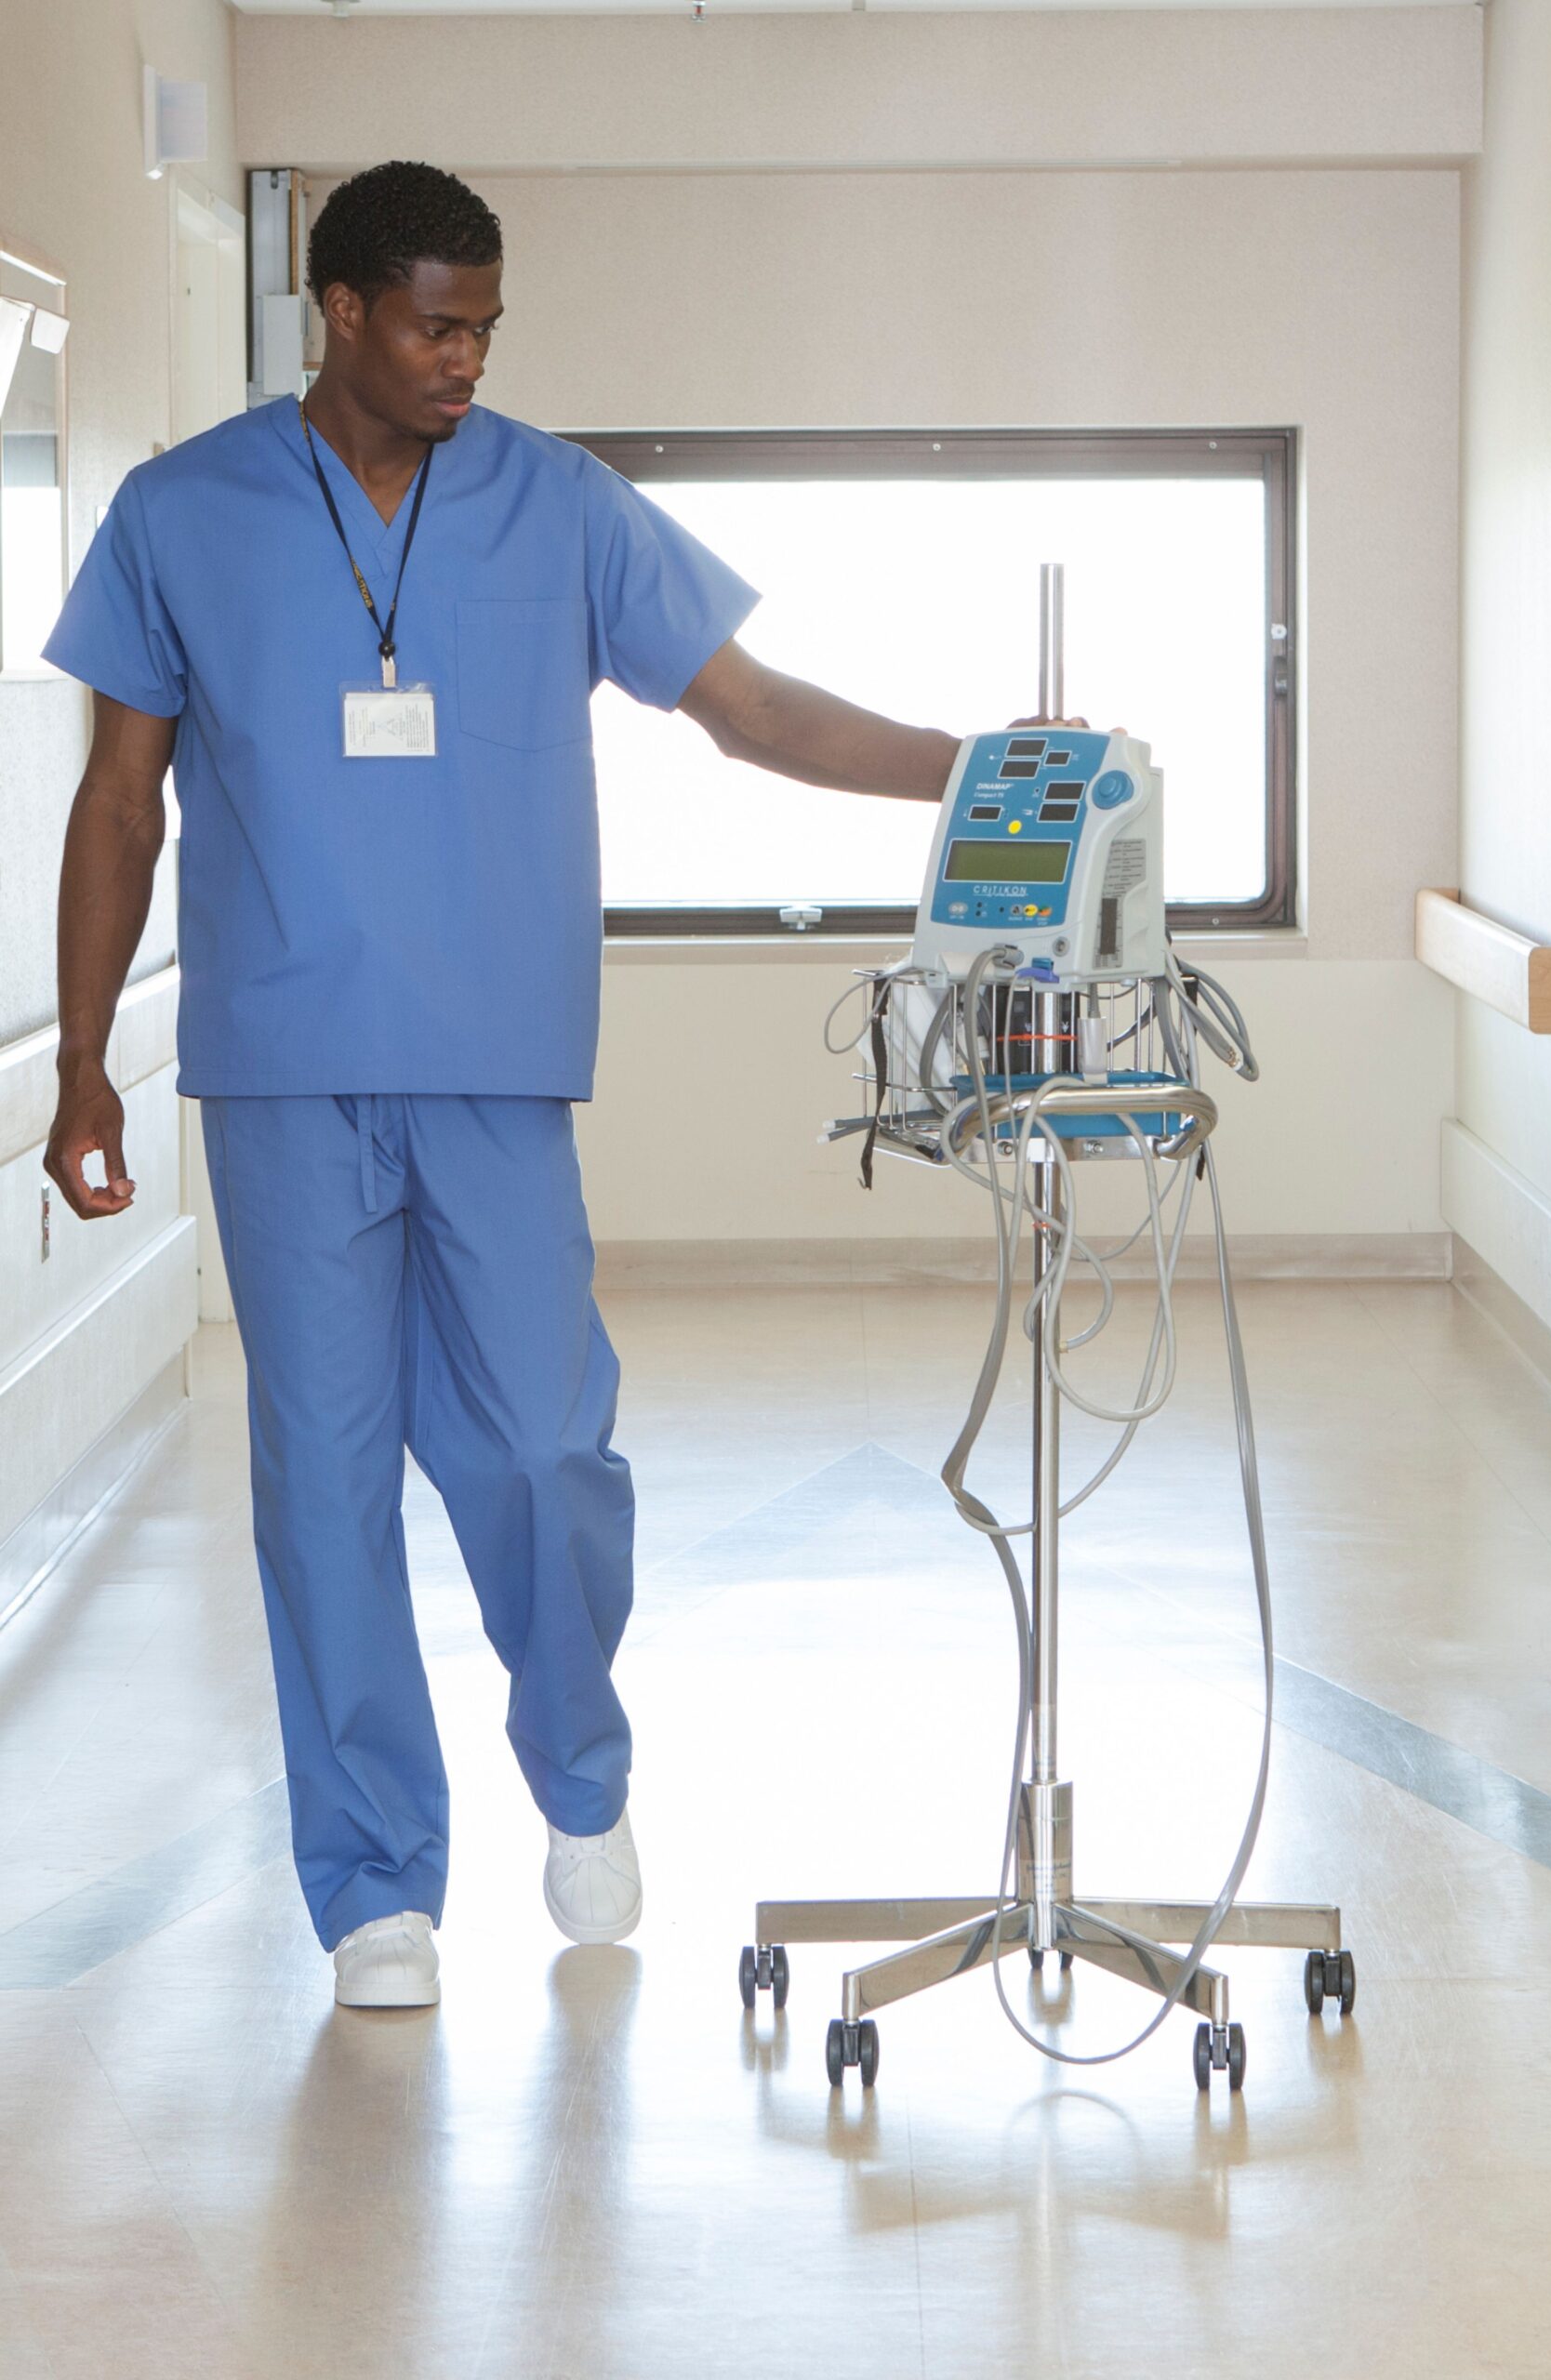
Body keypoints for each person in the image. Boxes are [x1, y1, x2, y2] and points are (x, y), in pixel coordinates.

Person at [41, 161, 969, 2010]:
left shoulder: (561, 507)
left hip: (493, 1061)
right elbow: (118, 799)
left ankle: (576, 1755)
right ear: (341, 314)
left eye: (484, 325)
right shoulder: (179, 512)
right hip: (284, 1069)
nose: (467, 355)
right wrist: (84, 1065)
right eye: (434, 322)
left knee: (542, 1447)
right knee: (321, 1483)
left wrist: (988, 763)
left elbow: (754, 711)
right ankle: (375, 1878)